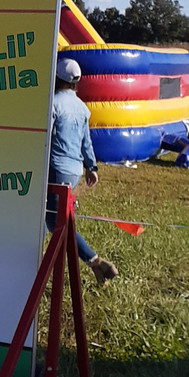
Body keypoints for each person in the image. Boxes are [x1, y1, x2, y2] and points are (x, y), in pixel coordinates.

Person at [46, 58, 118, 285]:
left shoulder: (53, 104)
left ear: (56, 77)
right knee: (61, 222)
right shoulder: (82, 108)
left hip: (56, 169)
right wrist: (92, 167)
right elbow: (86, 142)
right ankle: (95, 267)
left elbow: (45, 137)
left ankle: (96, 261)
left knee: (55, 224)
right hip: (74, 171)